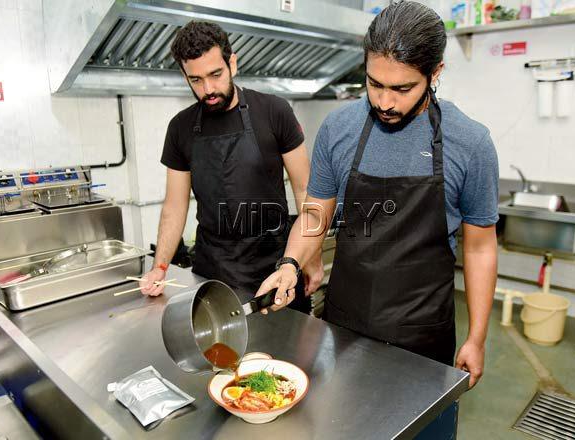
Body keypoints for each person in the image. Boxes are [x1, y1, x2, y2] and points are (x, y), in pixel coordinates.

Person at [256, 1, 499, 388]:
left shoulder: (470, 142)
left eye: (402, 88)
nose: (385, 102)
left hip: (422, 335)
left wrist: (478, 337)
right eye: (374, 84)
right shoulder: (338, 128)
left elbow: (480, 248)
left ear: (435, 73)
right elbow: (315, 214)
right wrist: (289, 264)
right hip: (344, 325)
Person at [141, 21, 323, 311]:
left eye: (215, 74)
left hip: (277, 267)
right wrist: (160, 266)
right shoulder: (180, 128)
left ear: (232, 63)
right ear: (184, 75)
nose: (208, 88)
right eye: (196, 80)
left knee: (287, 351)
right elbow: (174, 207)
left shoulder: (275, 111)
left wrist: (311, 257)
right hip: (213, 274)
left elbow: (305, 190)